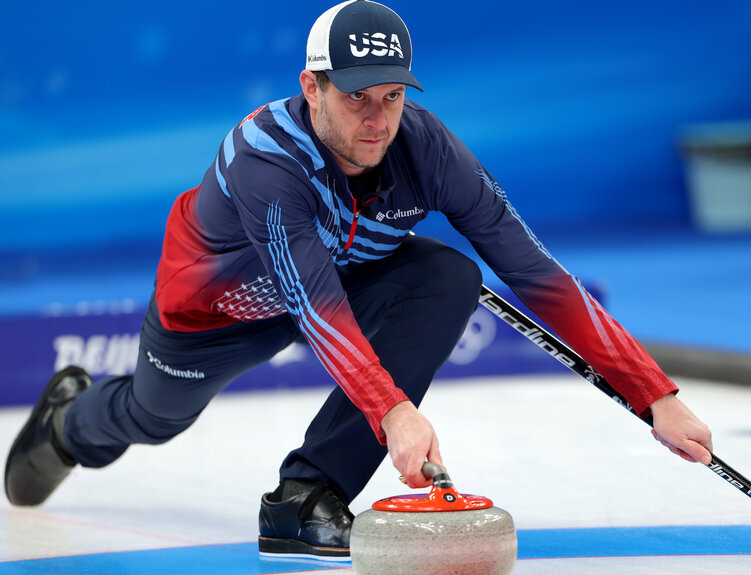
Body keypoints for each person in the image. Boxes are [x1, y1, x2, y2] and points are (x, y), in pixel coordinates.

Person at [4, 0, 713, 562]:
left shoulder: (426, 146)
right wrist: (395, 412)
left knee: (447, 275)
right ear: (311, 87)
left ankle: (306, 494)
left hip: (338, 282)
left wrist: (656, 393)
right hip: (216, 315)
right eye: (356, 98)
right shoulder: (265, 159)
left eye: (393, 96)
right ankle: (68, 421)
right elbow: (314, 307)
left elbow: (536, 271)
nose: (378, 121)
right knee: (155, 418)